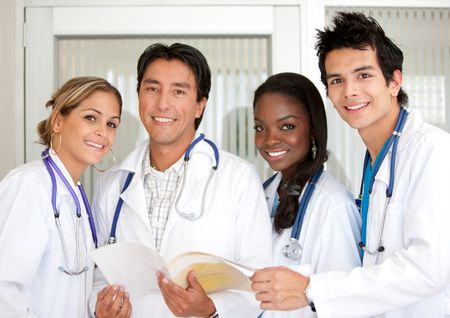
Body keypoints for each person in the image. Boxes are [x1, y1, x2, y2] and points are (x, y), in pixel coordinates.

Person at [252, 11, 450, 318]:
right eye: (336, 80)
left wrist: (310, 290)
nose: (350, 91)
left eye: (364, 75)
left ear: (394, 80)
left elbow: (430, 268)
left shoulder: (433, 151)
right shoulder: (377, 159)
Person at [91, 42, 272, 318]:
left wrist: (212, 309)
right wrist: (99, 306)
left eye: (178, 91)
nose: (163, 103)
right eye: (152, 88)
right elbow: (96, 274)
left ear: (200, 104)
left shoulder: (239, 179)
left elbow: (259, 280)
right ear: (139, 95)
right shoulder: (112, 183)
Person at [0, 76, 126, 317]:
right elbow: (3, 291)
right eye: (91, 118)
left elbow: (68, 290)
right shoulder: (28, 185)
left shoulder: (77, 197)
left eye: (112, 124)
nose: (102, 132)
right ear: (58, 121)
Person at [251, 72, 361, 318]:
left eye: (287, 126)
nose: (270, 139)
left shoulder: (333, 205)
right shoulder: (260, 194)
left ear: (312, 130)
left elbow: (346, 305)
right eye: (260, 127)